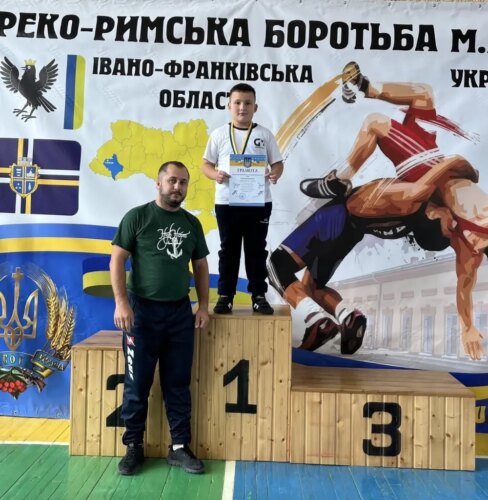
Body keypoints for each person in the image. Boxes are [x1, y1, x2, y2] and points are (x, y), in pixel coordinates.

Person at [110, 161, 210, 475]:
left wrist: (203, 306)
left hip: (179, 313)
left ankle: (179, 447)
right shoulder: (137, 217)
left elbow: (201, 266)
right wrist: (121, 303)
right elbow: (117, 260)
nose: (177, 187)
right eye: (172, 181)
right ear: (158, 183)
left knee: (178, 383)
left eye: (183, 182)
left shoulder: (192, 224)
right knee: (137, 384)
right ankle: (133, 447)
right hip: (141, 313)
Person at [201, 83, 284, 315]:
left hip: (259, 202)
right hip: (227, 203)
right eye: (237, 102)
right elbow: (206, 164)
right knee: (228, 250)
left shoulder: (264, 135)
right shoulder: (218, 134)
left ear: (255, 107)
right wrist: (215, 174)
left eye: (247, 103)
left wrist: (275, 173)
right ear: (229, 105)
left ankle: (258, 296)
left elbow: (277, 163)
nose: (242, 107)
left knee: (257, 250)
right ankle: (225, 296)